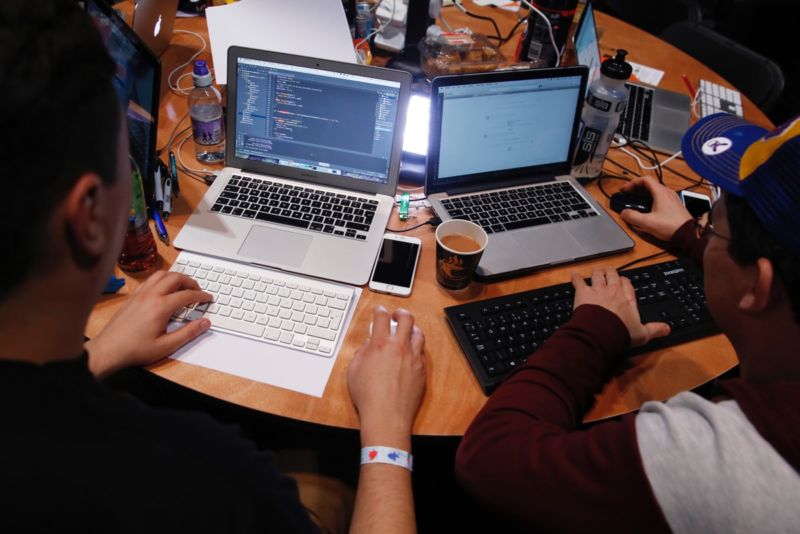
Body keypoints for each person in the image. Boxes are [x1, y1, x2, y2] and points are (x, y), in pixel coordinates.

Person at [0, 2, 425, 533]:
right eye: (126, 159)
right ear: (89, 217)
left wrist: (101, 353)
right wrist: (387, 434)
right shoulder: (207, 477)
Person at [455, 112, 800, 532]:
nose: (704, 232)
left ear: (758, 287)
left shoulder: (730, 458)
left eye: (713, 225)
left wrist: (596, 328)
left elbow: (490, 461)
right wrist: (690, 236)